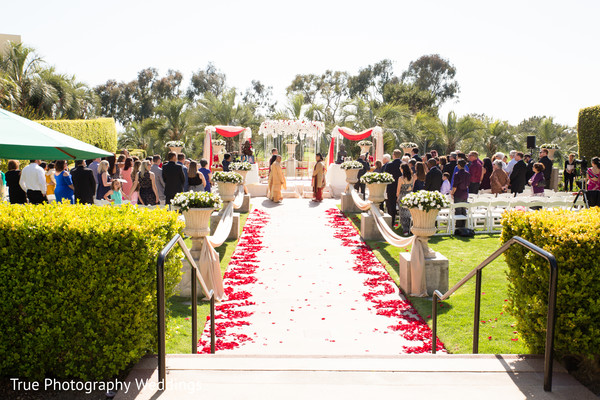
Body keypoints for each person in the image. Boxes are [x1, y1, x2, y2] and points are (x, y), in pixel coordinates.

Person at [383, 149, 402, 226]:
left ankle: (392, 221)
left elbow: (385, 175)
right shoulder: (404, 164)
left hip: (391, 187)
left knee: (391, 205)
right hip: (401, 187)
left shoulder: (389, 164)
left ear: (393, 155)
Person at [396, 163, 415, 235]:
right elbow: (412, 188)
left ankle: (405, 229)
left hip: (403, 196)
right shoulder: (412, 177)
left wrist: (397, 197)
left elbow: (398, 189)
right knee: (409, 212)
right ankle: (409, 227)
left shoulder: (401, 178)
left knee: (403, 213)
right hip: (410, 196)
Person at [451, 159, 470, 227]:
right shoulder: (467, 174)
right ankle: (463, 224)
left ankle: (458, 226)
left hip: (458, 193)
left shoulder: (457, 174)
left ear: (459, 165)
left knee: (458, 209)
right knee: (463, 209)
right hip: (465, 193)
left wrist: (452, 192)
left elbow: (455, 185)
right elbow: (468, 184)